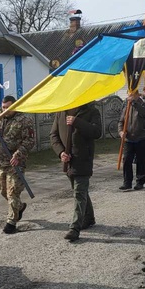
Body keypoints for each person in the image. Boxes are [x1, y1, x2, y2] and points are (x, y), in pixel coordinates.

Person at [50, 101, 102, 241]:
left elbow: (97, 132)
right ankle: (89, 218)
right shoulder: (61, 112)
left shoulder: (91, 111)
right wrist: (61, 153)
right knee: (80, 191)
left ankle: (75, 228)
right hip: (68, 161)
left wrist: (77, 122)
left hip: (83, 159)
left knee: (79, 193)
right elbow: (53, 135)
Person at [0, 95, 35, 234]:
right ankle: (19, 207)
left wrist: (18, 155)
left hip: (15, 163)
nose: (5, 110)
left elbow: (29, 141)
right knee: (3, 191)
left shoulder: (24, 120)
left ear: (15, 106)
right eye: (3, 107)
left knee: (13, 192)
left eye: (8, 107)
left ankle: (11, 222)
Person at [118, 90, 145, 190]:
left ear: (136, 95)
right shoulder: (126, 106)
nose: (129, 97)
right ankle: (127, 182)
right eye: (128, 94)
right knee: (127, 160)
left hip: (141, 137)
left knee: (141, 161)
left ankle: (140, 182)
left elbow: (144, 113)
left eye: (131, 95)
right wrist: (121, 132)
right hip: (128, 139)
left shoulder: (143, 104)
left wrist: (134, 103)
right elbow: (121, 121)